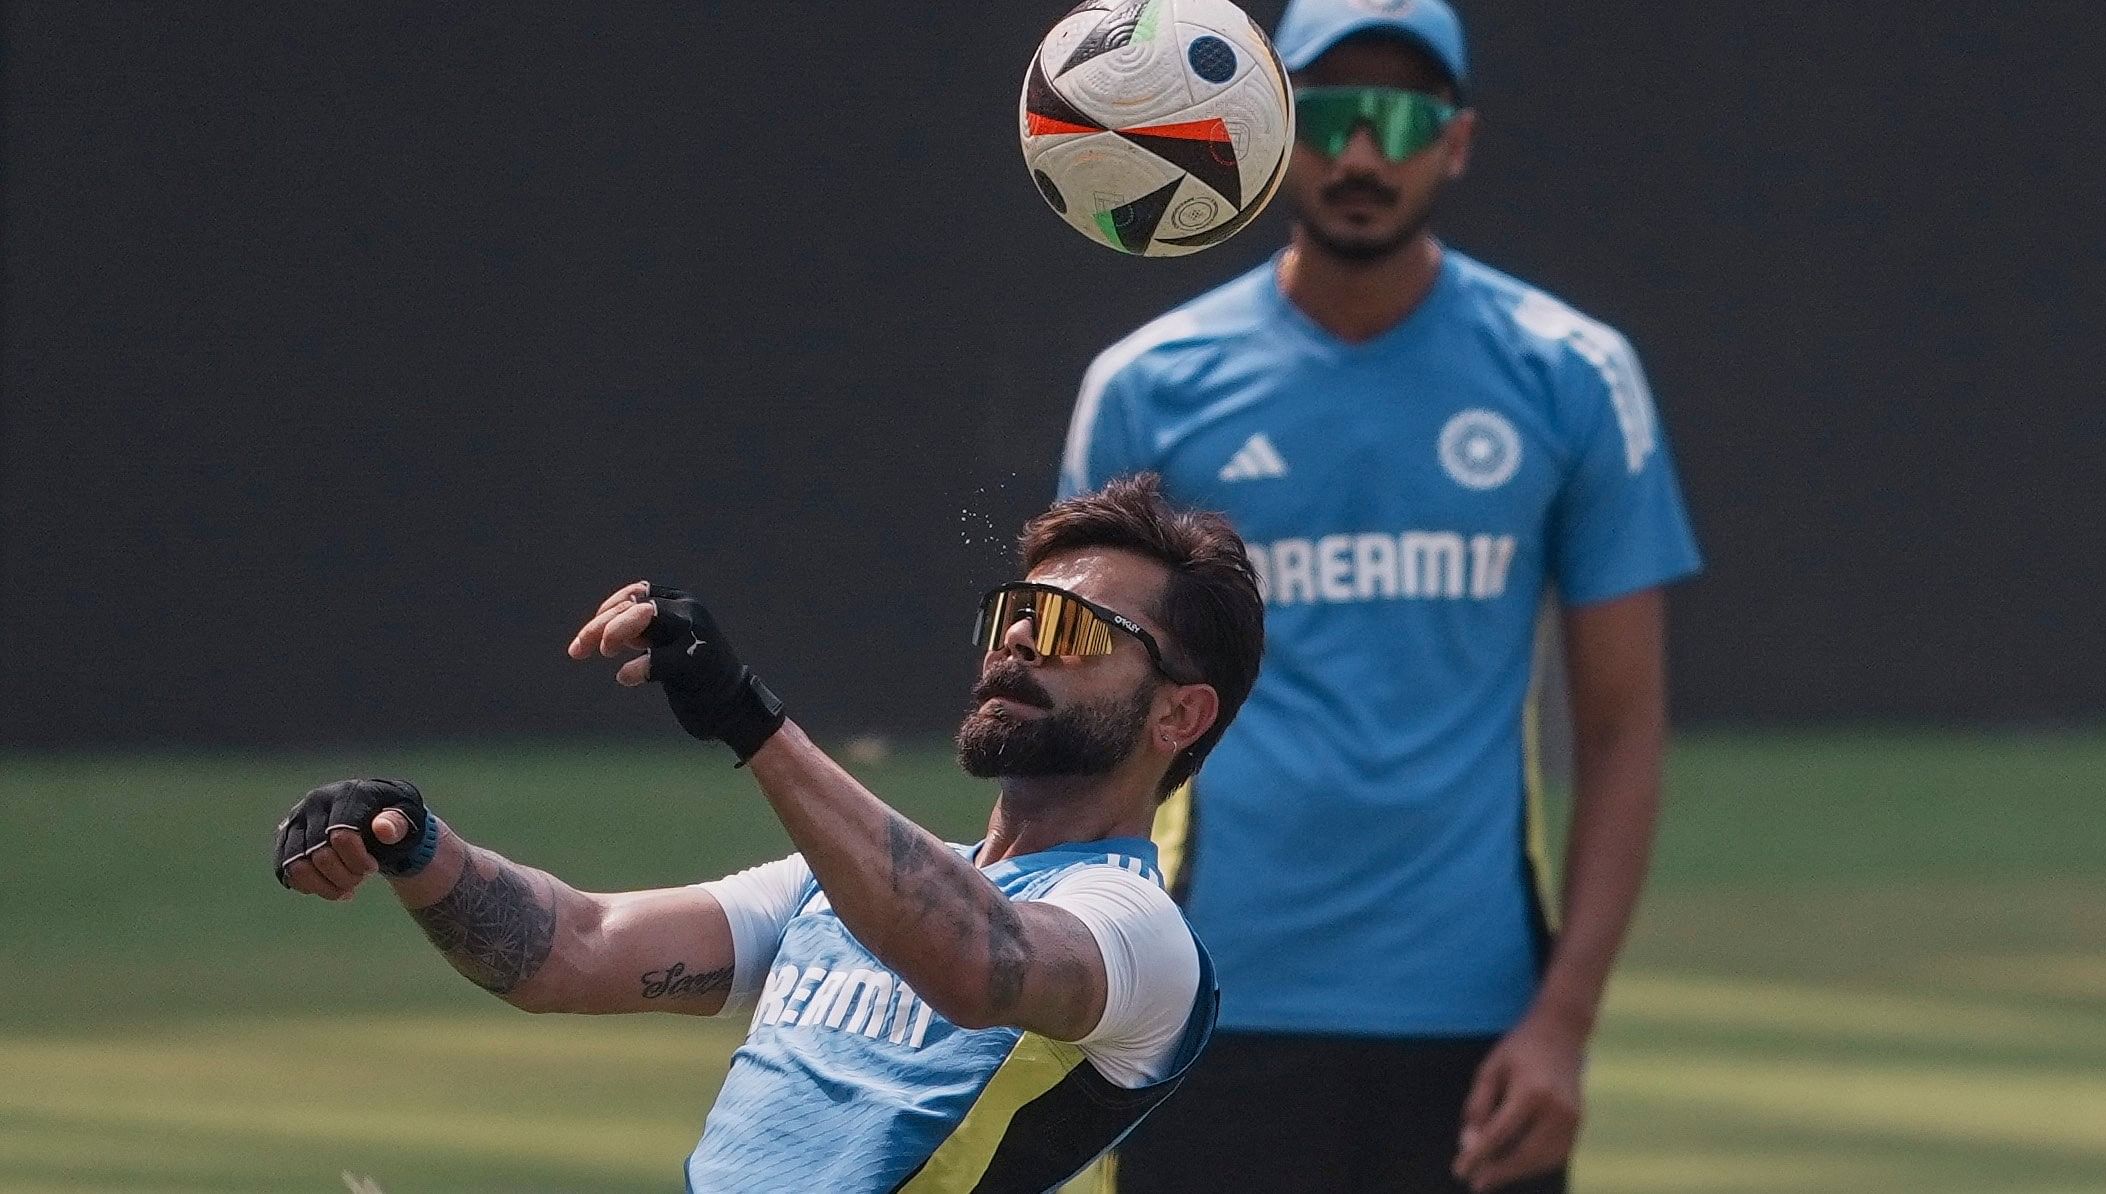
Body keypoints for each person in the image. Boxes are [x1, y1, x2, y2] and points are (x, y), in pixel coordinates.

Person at [1058, 2, 1704, 1191]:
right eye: (1334, 114)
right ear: (1271, 131)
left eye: (1402, 120)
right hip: (1197, 1003)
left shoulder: (1570, 374)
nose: (1364, 154)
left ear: (1455, 142)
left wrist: (1563, 1025)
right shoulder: (1148, 387)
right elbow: (1081, 717)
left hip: (1476, 1022)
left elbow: (1621, 728)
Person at [270, 474, 1265, 1193]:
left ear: (1179, 716)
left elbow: (978, 960)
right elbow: (570, 951)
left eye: (1069, 628)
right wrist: (414, 843)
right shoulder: (832, 888)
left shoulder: (1136, 933)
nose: (1016, 637)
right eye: (1014, 611)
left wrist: (748, 717)